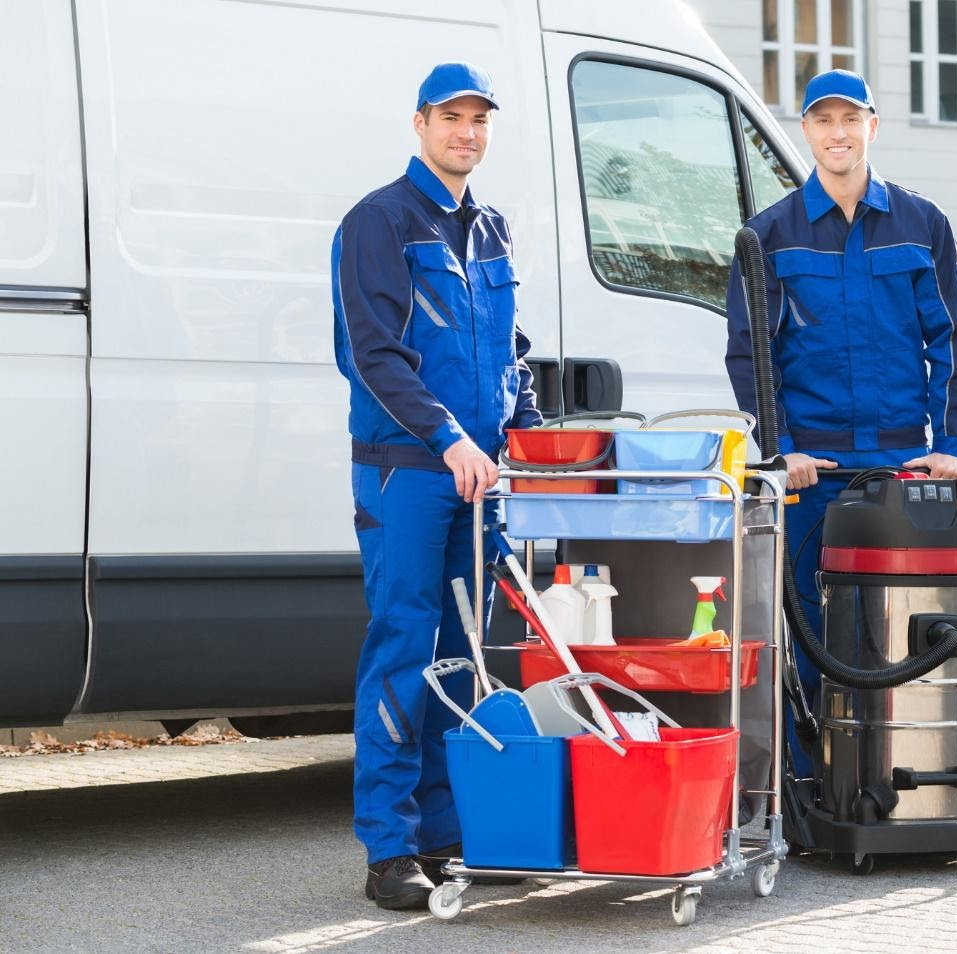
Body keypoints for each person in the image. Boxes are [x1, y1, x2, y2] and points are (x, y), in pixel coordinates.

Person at [331, 62, 541, 910]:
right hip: (410, 476)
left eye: (479, 119)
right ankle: (389, 849)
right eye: (451, 117)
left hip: (480, 481)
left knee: (463, 661)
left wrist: (527, 432)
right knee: (403, 651)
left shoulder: (491, 227)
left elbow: (510, 349)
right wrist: (451, 437)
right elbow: (371, 353)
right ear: (419, 123)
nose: (467, 131)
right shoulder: (378, 222)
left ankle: (448, 834)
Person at [725, 70, 957, 731]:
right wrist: (781, 452)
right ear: (805, 131)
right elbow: (752, 357)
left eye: (849, 119)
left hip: (901, 469)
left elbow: (954, 341)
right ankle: (817, 794)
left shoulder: (923, 225)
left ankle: (897, 775)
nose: (837, 133)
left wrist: (948, 449)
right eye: (822, 121)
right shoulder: (768, 236)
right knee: (810, 634)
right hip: (814, 473)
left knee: (898, 631)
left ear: (872, 125)